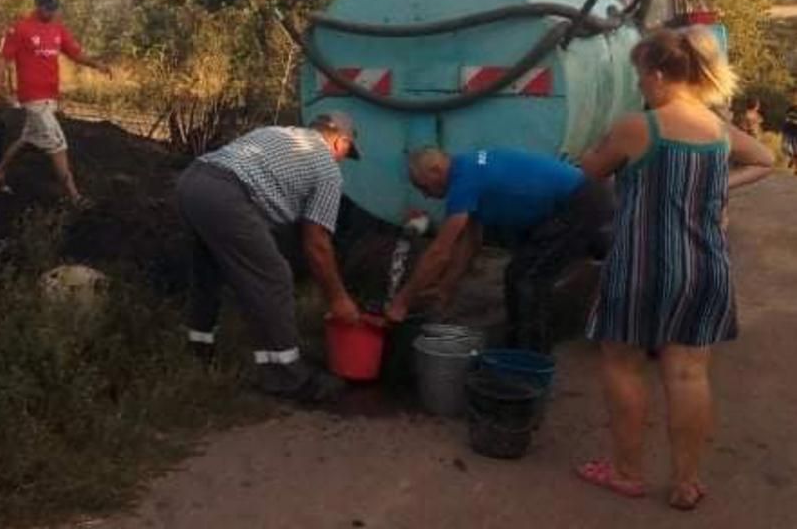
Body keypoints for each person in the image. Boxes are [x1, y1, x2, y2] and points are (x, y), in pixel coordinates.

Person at [576, 27, 772, 511]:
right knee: (687, 374)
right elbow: (766, 159)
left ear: (660, 74)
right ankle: (686, 482)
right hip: (705, 265)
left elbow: (589, 173)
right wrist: (723, 189)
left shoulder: (639, 127)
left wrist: (592, 150)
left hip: (642, 265)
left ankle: (626, 472)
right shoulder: (717, 129)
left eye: (641, 75)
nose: (639, 84)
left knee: (622, 361)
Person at [177, 111, 362, 404]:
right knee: (275, 278)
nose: (343, 160)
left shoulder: (280, 134)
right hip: (227, 196)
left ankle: (198, 352)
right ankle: (287, 377)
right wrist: (339, 299)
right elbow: (317, 244)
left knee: (207, 274)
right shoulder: (328, 169)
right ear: (341, 142)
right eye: (347, 153)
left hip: (193, 180)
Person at [386, 147, 615, 352]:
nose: (425, 195)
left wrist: (402, 301)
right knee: (527, 272)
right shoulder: (469, 166)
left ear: (436, 170)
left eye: (423, 187)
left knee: (525, 278)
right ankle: (524, 351)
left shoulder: (464, 180)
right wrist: (446, 287)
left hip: (579, 202)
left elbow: (439, 252)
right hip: (581, 199)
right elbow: (470, 243)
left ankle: (526, 361)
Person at [0, 0, 111, 202]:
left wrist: (97, 64)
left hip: (50, 96)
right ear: (38, 5)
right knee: (57, 144)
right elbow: (3, 62)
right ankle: (74, 196)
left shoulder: (58, 29)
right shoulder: (21, 29)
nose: (50, 12)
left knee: (29, 139)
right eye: (46, 7)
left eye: (53, 8)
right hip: (32, 98)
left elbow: (75, 54)